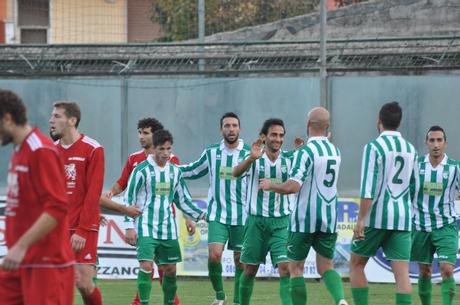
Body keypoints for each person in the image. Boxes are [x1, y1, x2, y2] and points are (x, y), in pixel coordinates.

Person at [260, 107, 347, 305]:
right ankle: (341, 300)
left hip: (304, 220)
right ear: (328, 128)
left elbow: (293, 186)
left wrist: (271, 185)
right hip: (329, 218)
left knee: (296, 268)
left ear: (308, 126)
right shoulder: (335, 151)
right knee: (326, 267)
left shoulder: (306, 152)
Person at [103, 117, 192, 305]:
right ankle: (140, 302)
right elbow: (123, 183)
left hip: (167, 223)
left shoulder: (172, 160)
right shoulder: (134, 160)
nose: (141, 137)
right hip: (143, 222)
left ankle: (172, 301)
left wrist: (189, 218)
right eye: (140, 132)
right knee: (146, 264)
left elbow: (179, 193)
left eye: (146, 133)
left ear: (157, 136)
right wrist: (112, 191)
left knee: (167, 268)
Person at [0, 89, 74, 305]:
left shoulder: (40, 150)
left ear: (7, 118)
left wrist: (21, 246)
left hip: (46, 264)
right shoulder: (19, 150)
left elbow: (57, 207)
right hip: (21, 262)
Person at [124, 129, 205, 305]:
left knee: (170, 270)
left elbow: (183, 200)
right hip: (145, 227)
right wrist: (129, 226)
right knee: (146, 266)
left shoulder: (174, 171)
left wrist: (203, 215)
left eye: (169, 149)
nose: (166, 153)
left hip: (168, 229)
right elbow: (128, 198)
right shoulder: (141, 170)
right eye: (161, 149)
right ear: (153, 148)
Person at [349, 101, 417, 305]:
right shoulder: (410, 149)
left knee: (356, 264)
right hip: (402, 218)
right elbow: (414, 186)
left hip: (376, 217)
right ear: (399, 122)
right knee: (402, 273)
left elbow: (368, 187)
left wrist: (361, 219)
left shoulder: (374, 146)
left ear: (379, 121)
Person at [180, 112, 250, 305]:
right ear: (221, 130)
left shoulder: (248, 154)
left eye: (234, 125)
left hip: (242, 216)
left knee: (240, 261)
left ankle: (238, 300)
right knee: (214, 256)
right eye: (227, 126)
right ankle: (220, 296)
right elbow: (194, 170)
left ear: (240, 129)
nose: (231, 129)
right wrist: (171, 169)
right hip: (217, 215)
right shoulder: (211, 152)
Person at [49, 101, 105, 305]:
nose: (51, 120)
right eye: (51, 116)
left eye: (57, 116)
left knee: (84, 284)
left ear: (72, 120)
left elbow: (93, 193)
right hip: (56, 227)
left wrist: (82, 230)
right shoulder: (50, 151)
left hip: (83, 227)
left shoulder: (93, 149)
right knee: (54, 283)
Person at [233, 118, 293, 305]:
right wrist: (251, 157)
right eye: (274, 134)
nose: (278, 139)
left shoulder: (289, 159)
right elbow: (235, 173)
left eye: (281, 135)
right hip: (256, 223)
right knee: (249, 270)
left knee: (285, 268)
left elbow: (295, 184)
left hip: (281, 222)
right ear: (263, 136)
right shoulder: (254, 157)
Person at [411, 125, 459, 305]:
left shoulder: (454, 168)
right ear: (427, 143)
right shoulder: (416, 165)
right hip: (420, 227)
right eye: (432, 140)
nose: (436, 144)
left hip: (446, 226)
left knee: (447, 269)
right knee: (425, 272)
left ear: (445, 143)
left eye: (439, 140)